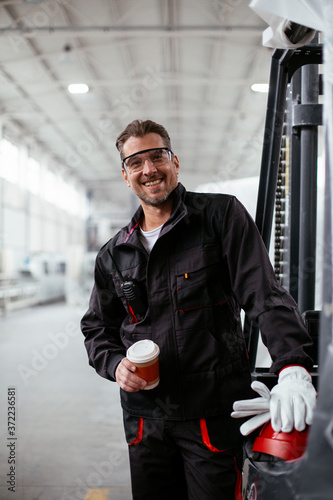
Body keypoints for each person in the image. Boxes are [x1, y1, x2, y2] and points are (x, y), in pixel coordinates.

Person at [81, 119, 316, 500]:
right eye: (136, 162)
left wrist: (292, 366)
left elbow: (263, 293)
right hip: (146, 419)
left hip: (211, 413)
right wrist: (114, 365)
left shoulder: (220, 217)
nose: (149, 169)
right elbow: (97, 330)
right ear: (126, 176)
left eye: (157, 156)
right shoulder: (113, 254)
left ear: (175, 161)